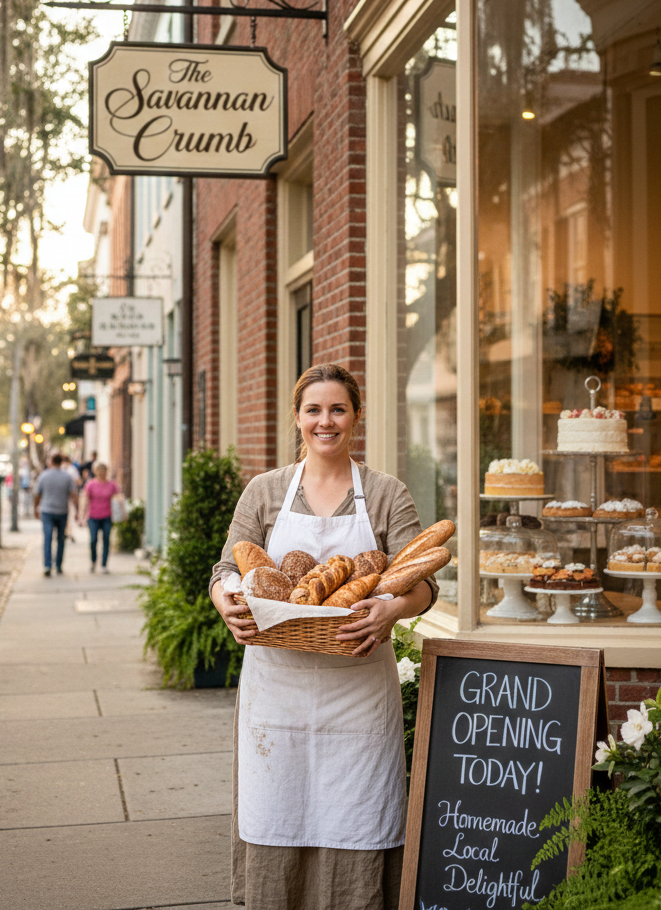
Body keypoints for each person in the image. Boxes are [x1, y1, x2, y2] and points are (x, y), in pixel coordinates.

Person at [209, 363, 438, 910]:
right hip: (276, 689)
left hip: (357, 690)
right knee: (277, 805)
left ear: (356, 416)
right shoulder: (264, 491)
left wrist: (391, 610)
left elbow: (423, 582)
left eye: (338, 409)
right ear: (297, 417)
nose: (325, 421)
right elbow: (225, 571)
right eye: (313, 410)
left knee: (355, 809)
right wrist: (227, 605)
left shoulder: (385, 493)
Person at [34, 453, 78, 577]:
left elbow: (37, 494)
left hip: (47, 511)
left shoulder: (43, 476)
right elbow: (74, 495)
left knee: (47, 539)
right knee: (60, 539)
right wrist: (77, 511)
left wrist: (35, 509)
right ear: (61, 462)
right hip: (62, 511)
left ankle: (47, 565)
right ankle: (58, 565)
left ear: (51, 461)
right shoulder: (67, 477)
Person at [78, 462, 119, 573]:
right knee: (93, 540)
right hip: (93, 516)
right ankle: (93, 561)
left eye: (104, 472)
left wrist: (122, 513)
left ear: (106, 472)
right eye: (100, 472)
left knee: (106, 539)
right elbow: (85, 499)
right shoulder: (91, 484)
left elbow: (118, 499)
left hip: (107, 516)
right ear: (96, 472)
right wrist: (81, 516)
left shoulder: (111, 485)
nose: (102, 474)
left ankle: (104, 564)